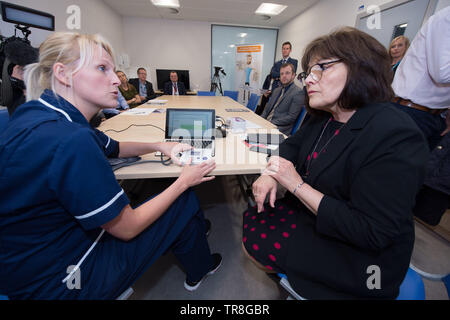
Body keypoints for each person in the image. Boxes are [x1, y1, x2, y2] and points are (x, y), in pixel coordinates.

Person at [0, 32, 222, 299]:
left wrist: (160, 146)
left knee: (178, 211)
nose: (117, 79)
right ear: (62, 73)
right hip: (63, 281)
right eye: (102, 68)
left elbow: (114, 146)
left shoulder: (37, 114)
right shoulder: (72, 140)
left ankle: (194, 241)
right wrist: (184, 180)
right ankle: (200, 258)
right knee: (184, 199)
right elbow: (127, 228)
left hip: (23, 266)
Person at [243, 27, 428, 299]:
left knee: (255, 237)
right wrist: (272, 172)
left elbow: (371, 232)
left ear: (360, 68)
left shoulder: (395, 134)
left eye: (322, 68)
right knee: (253, 218)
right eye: (308, 72)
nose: (309, 80)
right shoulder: (325, 115)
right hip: (320, 217)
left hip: (363, 256)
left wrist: (295, 185)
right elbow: (292, 144)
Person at [392, 6, 450, 150]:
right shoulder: (446, 18)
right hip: (412, 113)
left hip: (437, 116)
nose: (396, 49)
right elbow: (442, 73)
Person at [260, 63, 305, 136]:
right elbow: (266, 110)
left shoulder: (298, 92)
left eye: (287, 73)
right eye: (282, 74)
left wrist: (270, 122)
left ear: (293, 75)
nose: (284, 76)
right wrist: (260, 120)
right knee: (244, 132)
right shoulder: (276, 90)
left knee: (251, 139)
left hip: (279, 131)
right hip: (266, 125)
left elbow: (291, 117)